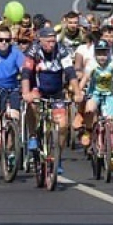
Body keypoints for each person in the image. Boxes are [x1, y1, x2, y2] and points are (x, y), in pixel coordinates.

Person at [21, 26, 81, 169]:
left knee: (63, 125)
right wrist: (26, 93)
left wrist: (77, 92)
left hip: (56, 91)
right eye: (48, 41)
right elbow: (26, 73)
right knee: (32, 104)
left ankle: (57, 156)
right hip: (38, 89)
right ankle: (33, 136)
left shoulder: (61, 50)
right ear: (40, 40)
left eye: (53, 41)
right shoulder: (33, 50)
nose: (51, 44)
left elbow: (70, 72)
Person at [78, 40, 113, 171]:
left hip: (108, 95)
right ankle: (88, 131)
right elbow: (85, 78)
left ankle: (111, 153)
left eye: (104, 53)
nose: (102, 57)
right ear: (95, 54)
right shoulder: (92, 64)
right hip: (95, 94)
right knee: (90, 109)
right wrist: (79, 91)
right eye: (99, 53)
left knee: (110, 123)